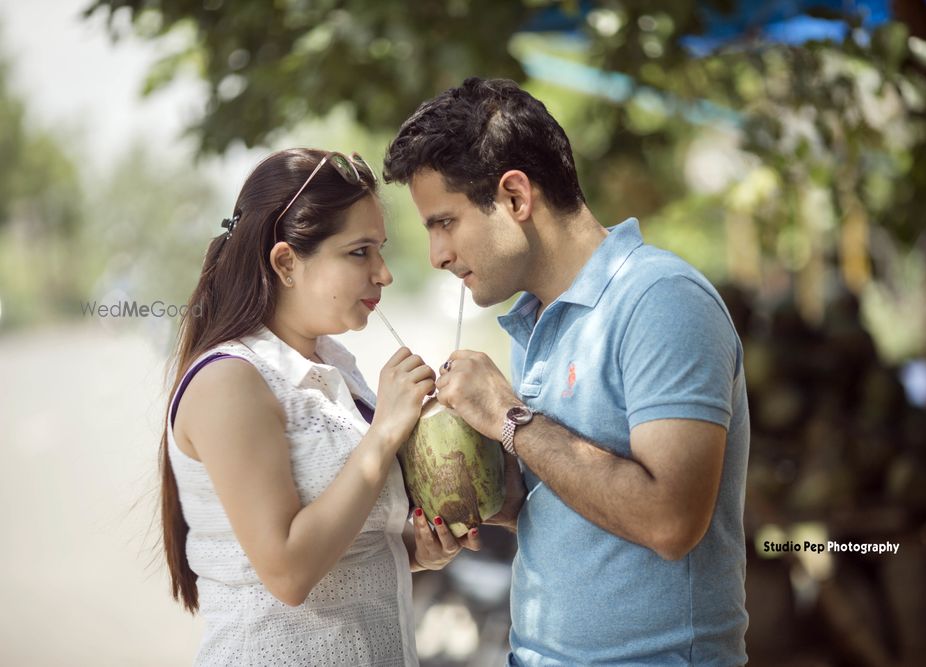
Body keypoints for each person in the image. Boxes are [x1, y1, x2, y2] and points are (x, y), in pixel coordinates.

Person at [383, 78, 750, 666]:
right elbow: (568, 496)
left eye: (444, 222)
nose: (437, 256)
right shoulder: (536, 322)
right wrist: (472, 500)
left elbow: (671, 520)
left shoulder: (660, 299)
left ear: (515, 198)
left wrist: (509, 417)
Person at [159, 148, 479, 666]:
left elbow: (340, 545)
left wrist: (412, 550)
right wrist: (382, 437)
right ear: (286, 262)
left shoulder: (335, 366)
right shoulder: (229, 381)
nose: (384, 273)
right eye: (360, 252)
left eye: (381, 249)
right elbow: (287, 572)